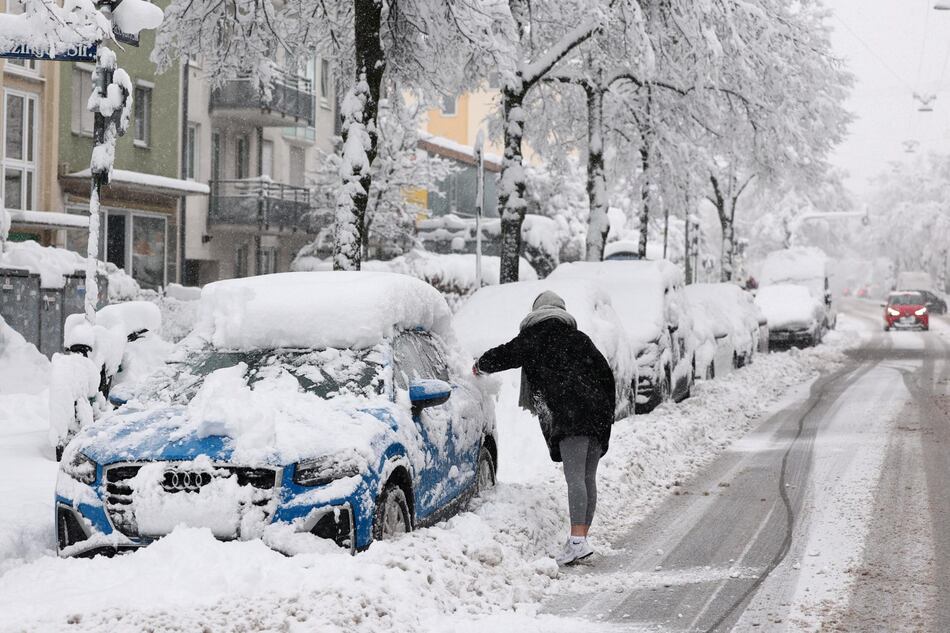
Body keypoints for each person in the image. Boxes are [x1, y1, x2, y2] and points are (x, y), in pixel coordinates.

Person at [473, 291, 616, 566]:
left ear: (537, 311)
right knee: (587, 477)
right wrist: (606, 413)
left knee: (575, 477)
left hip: (572, 413)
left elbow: (507, 354)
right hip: (597, 413)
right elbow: (606, 375)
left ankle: (577, 541)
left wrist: (480, 365)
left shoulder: (536, 335)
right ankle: (580, 540)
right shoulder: (580, 339)